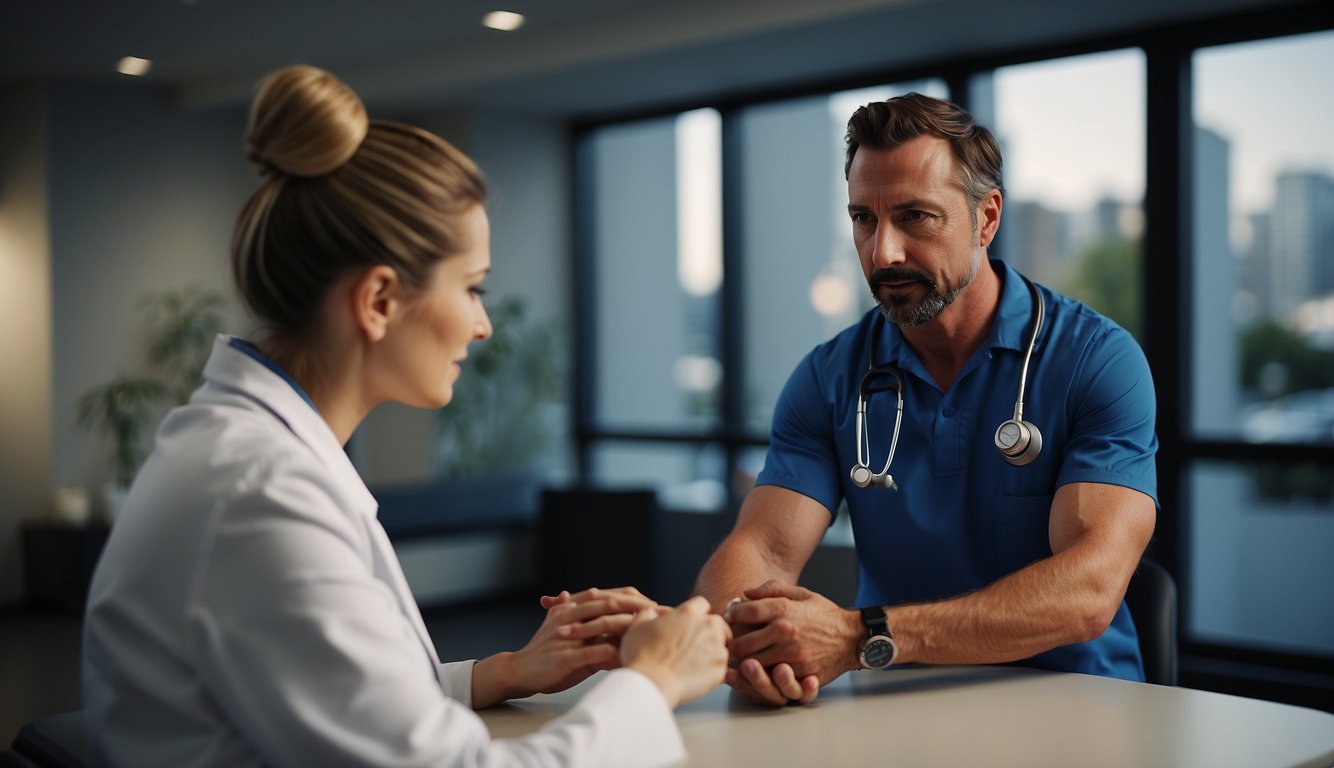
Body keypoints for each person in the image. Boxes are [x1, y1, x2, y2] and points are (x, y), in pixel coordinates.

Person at [82, 65, 729, 767]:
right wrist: (652, 681)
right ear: (380, 301)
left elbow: (318, 696)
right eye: (472, 288)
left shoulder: (244, 455)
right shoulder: (260, 496)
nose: (483, 326)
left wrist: (503, 674)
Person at [693, 93, 1158, 706]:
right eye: (864, 218)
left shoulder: (1093, 361)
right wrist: (751, 638)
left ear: (986, 219)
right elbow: (761, 550)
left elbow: (1089, 591)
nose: (882, 252)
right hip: (897, 710)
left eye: (915, 217)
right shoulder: (830, 378)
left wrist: (863, 636)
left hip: (1078, 708)